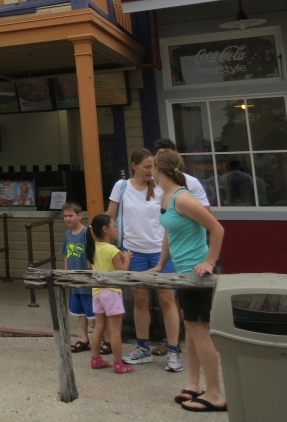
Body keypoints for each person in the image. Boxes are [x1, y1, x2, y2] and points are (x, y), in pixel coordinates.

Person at [150, 150, 227, 413]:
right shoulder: (166, 197)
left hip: (197, 275)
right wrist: (160, 265)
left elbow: (217, 229)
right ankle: (194, 384)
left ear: (158, 170)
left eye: (152, 166)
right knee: (191, 330)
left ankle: (215, 392)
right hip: (182, 272)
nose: (149, 171)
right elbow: (169, 233)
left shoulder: (183, 198)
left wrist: (209, 262)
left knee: (199, 331)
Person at [107, 148, 183, 371]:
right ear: (134, 165)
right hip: (133, 251)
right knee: (140, 301)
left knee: (167, 300)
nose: (151, 171)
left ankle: (173, 351)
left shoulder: (161, 187)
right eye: (146, 166)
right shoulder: (121, 187)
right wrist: (102, 243)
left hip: (162, 251)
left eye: (154, 167)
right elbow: (109, 215)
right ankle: (143, 348)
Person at [86, 214, 133, 374]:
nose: (117, 229)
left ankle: (95, 358)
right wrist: (126, 259)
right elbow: (121, 274)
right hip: (112, 292)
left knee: (99, 327)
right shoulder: (113, 250)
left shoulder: (93, 248)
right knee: (114, 331)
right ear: (105, 229)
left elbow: (91, 268)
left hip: (97, 292)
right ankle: (118, 363)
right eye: (114, 226)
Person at [59, 203, 94, 353]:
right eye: (65, 216)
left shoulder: (87, 233)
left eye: (71, 215)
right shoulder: (67, 235)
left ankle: (104, 339)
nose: (68, 218)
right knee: (80, 312)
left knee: (94, 312)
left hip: (87, 279)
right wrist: (66, 273)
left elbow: (93, 253)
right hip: (74, 280)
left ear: (79, 216)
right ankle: (84, 338)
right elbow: (66, 254)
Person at [153, 138, 211, 208]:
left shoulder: (191, 182)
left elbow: (205, 209)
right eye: (161, 155)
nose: (164, 158)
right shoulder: (149, 183)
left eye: (167, 155)